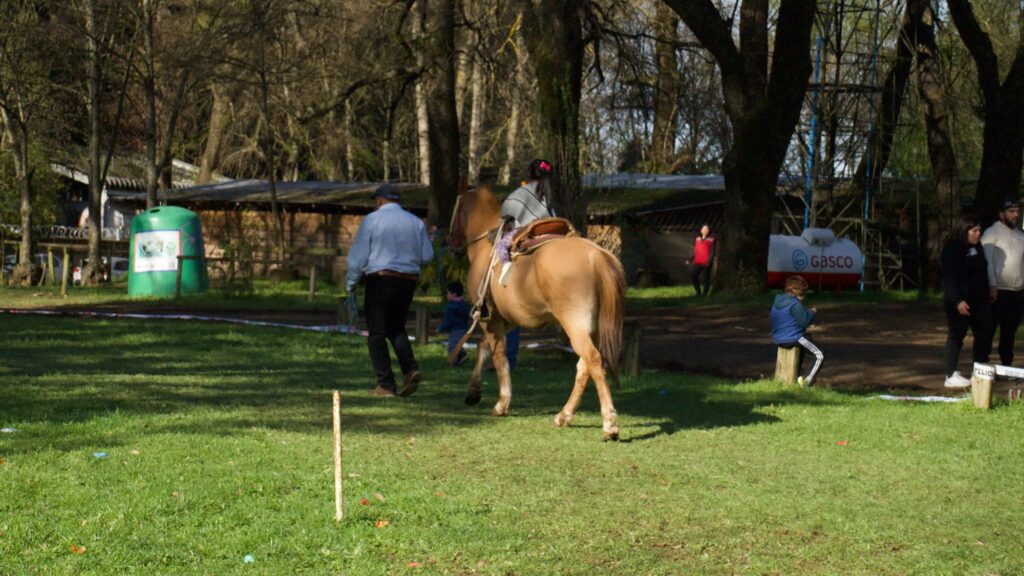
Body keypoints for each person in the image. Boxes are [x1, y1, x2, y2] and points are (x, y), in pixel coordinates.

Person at [346, 183, 434, 397]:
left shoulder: (372, 220)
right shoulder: (416, 222)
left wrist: (351, 282)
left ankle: (386, 384)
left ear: (378, 200)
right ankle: (410, 369)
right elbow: (427, 256)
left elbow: (359, 256)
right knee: (396, 328)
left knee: (376, 333)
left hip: (381, 279)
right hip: (407, 282)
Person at [940, 213, 993, 389]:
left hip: (979, 301)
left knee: (983, 332)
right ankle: (951, 374)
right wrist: (958, 301)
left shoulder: (978, 248)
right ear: (965, 230)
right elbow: (949, 278)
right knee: (956, 335)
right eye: (975, 230)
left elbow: (982, 271)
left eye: (980, 230)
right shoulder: (952, 248)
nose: (978, 234)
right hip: (959, 301)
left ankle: (979, 369)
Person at [497, 158, 555, 286]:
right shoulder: (548, 192)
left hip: (528, 229)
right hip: (551, 228)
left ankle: (506, 265)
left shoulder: (521, 192)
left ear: (530, 173)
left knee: (500, 245)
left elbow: (505, 212)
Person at [981, 197, 1024, 367]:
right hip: (998, 290)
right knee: (989, 329)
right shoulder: (991, 233)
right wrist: (991, 285)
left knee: (1010, 331)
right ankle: (982, 364)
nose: (1016, 215)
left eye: (1017, 212)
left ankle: (1007, 365)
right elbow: (987, 262)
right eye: (1011, 212)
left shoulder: (1021, 235)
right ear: (1001, 214)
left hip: (1017, 291)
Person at [770, 275, 823, 387]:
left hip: (779, 338)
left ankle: (796, 377)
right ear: (799, 293)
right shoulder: (795, 303)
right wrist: (811, 312)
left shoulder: (777, 302)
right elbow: (803, 321)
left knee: (803, 349)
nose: (804, 298)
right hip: (793, 337)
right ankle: (806, 382)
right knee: (819, 355)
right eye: (803, 294)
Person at [438, 280, 472, 365]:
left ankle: (454, 361)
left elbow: (447, 320)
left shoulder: (450, 307)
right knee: (458, 344)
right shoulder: (465, 305)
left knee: (452, 347)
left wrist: (441, 328)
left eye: (448, 293)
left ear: (454, 294)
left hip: (454, 330)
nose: (447, 295)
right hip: (464, 329)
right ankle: (462, 356)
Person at [686, 224, 716, 296]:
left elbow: (712, 252)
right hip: (698, 262)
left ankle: (705, 293)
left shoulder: (712, 240)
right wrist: (690, 260)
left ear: (709, 231)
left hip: (707, 263)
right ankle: (698, 292)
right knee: (693, 276)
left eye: (707, 229)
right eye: (703, 229)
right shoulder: (697, 239)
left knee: (706, 278)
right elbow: (696, 251)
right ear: (701, 230)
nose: (705, 230)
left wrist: (709, 261)